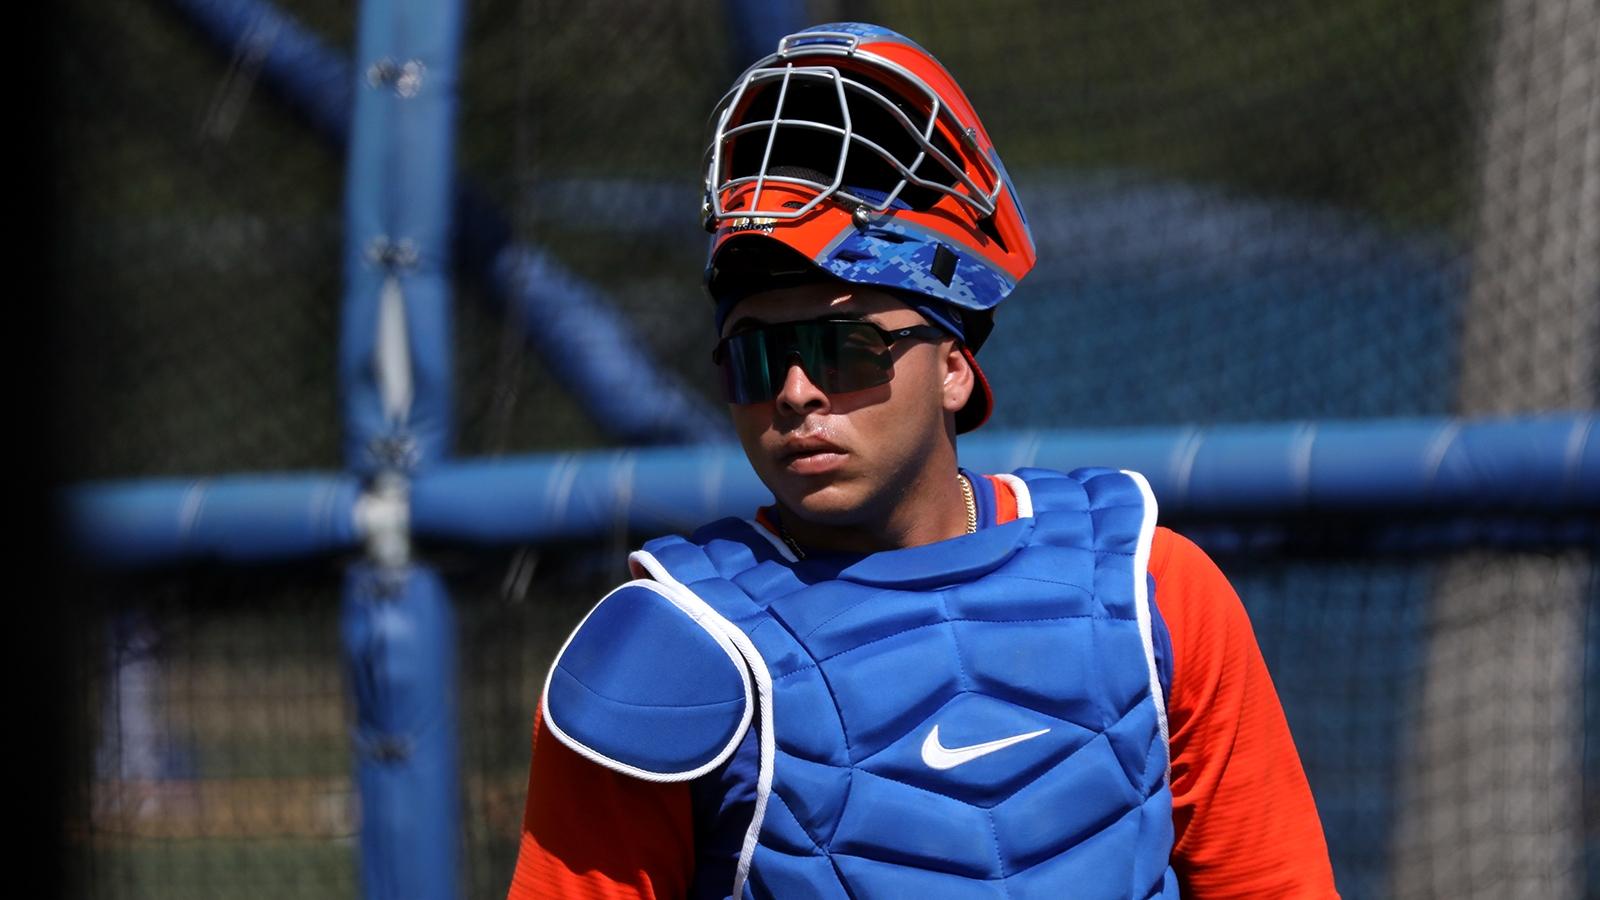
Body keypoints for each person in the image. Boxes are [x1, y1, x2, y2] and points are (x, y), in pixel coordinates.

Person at [507, 22, 1339, 899]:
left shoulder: (1154, 591)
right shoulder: (666, 651)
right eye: (755, 357)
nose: (793, 393)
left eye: (843, 350)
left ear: (952, 369)